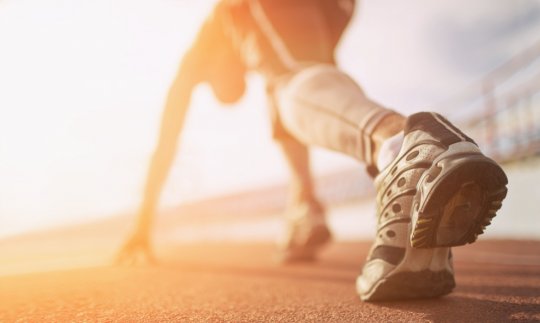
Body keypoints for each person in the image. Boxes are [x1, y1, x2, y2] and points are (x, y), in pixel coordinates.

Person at [116, 0, 508, 301]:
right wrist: (303, 195)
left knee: (289, 84)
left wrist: (141, 224)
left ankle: (409, 147)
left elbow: (164, 145)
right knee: (290, 95)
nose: (237, 79)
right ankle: (318, 205)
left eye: (225, 79)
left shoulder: (215, 35)